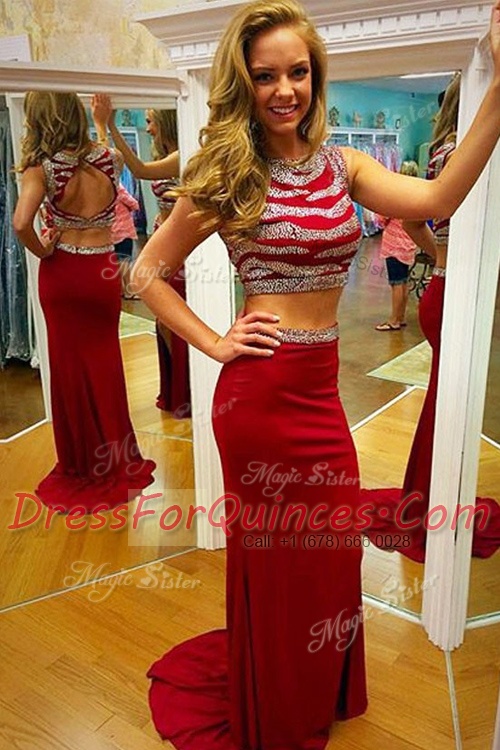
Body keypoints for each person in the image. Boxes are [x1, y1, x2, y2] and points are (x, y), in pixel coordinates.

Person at [128, 1, 500, 748]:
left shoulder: (344, 166)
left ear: (315, 76)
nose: (284, 90)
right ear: (244, 83)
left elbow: (438, 199)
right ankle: (278, 703)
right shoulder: (227, 175)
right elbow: (145, 273)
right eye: (265, 76)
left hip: (320, 396)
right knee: (278, 559)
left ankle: (312, 686)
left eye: (297, 72)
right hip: (259, 398)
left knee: (328, 552)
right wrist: (215, 341)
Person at [363, 72, 500, 561]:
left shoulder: (445, 150)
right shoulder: (467, 150)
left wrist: (437, 255)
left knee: (446, 404)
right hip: (455, 290)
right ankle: (432, 504)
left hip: (445, 286)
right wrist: (444, 256)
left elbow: (418, 219)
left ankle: (433, 497)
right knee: (450, 405)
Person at [13, 91, 156, 514]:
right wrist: (102, 123)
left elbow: (21, 222)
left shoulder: (41, 168)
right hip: (102, 271)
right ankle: (116, 456)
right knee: (105, 362)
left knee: (69, 369)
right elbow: (99, 156)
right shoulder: (109, 158)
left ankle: (82, 464)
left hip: (63, 274)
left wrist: (42, 249)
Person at [92, 95, 190, 417]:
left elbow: (139, 169)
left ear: (164, 123)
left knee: (172, 317)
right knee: (163, 318)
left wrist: (110, 126)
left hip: (179, 248)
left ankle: (186, 391)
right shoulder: (167, 154)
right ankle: (178, 390)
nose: (147, 129)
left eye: (150, 121)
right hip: (162, 242)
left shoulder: (183, 155)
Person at [375, 160, 422, 331]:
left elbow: (382, 217)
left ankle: (394, 320)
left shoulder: (396, 195)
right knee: (403, 282)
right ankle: (400, 317)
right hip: (409, 243)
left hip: (394, 244)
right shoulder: (418, 194)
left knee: (396, 283)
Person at [111, 182, 140, 298]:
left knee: (115, 261)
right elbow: (133, 203)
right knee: (125, 259)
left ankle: (121, 289)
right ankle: (129, 291)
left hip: (110, 230)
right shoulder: (117, 186)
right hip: (123, 229)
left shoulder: (100, 188)